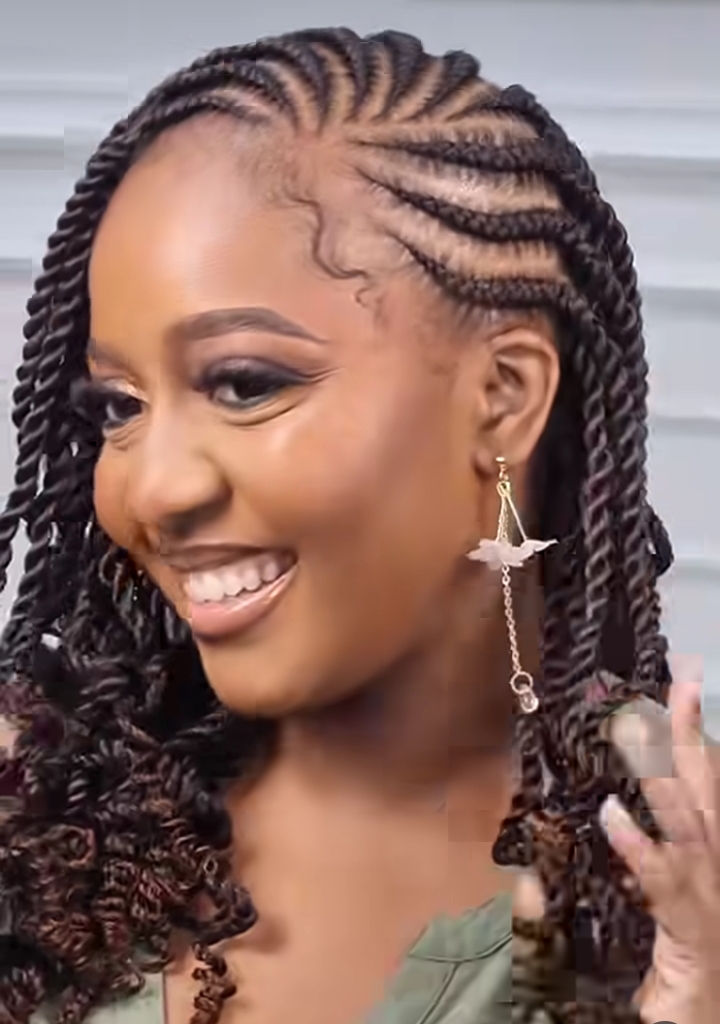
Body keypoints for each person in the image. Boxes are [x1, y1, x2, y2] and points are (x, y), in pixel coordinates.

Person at [0, 27, 717, 1024]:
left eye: (244, 384)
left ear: (505, 396)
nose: (151, 490)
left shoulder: (672, 872)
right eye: (119, 406)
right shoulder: (51, 803)